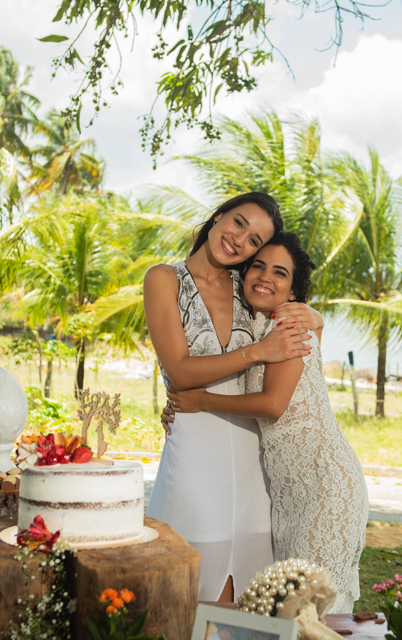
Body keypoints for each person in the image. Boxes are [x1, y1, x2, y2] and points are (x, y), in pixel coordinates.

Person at [165, 233, 368, 613]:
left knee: (313, 607)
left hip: (325, 484)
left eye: (279, 273)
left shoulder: (289, 329)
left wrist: (200, 401)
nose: (264, 277)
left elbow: (273, 405)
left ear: (293, 291)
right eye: (258, 266)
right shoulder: (258, 329)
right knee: (291, 608)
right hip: (289, 491)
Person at [144, 192, 322, 602]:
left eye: (256, 240)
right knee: (186, 583)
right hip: (193, 447)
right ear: (219, 215)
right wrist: (258, 351)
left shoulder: (249, 286)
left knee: (249, 594)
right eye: (239, 223)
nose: (241, 240)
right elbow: (181, 370)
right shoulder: (164, 279)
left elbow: (296, 314)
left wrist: (317, 317)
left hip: (251, 454)